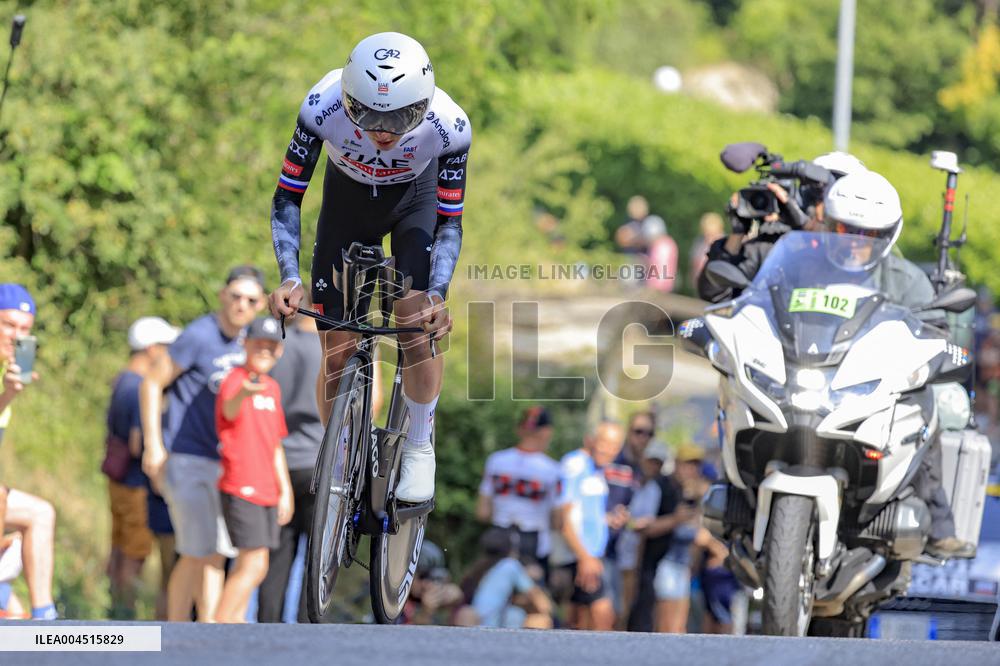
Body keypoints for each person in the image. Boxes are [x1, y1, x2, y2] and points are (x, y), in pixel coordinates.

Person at [268, 32, 472, 505]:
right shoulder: (320, 106)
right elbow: (287, 197)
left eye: (400, 117)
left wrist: (437, 294)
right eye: (366, 114)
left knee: (414, 323)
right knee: (336, 352)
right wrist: (289, 276)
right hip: (347, 205)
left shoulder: (450, 125)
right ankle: (338, 452)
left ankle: (420, 445)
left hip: (412, 206)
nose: (382, 130)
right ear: (346, 98)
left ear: (423, 105)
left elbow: (449, 223)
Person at [822, 172, 970, 557]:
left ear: (887, 236)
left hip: (875, 391)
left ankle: (938, 524)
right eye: (845, 229)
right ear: (828, 225)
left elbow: (936, 333)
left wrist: (932, 351)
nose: (855, 241)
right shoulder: (805, 269)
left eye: (868, 234)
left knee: (924, 411)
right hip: (815, 382)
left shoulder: (907, 279)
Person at [141, 265, 266, 622]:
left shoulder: (250, 343)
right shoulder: (199, 334)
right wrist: (154, 444)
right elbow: (151, 382)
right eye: (236, 296)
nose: (242, 305)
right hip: (187, 457)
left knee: (215, 553)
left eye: (251, 299)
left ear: (260, 305)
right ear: (222, 296)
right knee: (197, 551)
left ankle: (208, 631)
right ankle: (180, 631)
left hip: (225, 462)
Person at [697, 150, 867, 303]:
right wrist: (738, 232)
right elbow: (713, 292)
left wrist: (805, 226)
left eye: (831, 203)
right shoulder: (779, 247)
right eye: (816, 198)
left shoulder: (859, 254)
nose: (820, 210)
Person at [214, 317, 293, 623]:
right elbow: (228, 409)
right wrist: (245, 392)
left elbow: (275, 445)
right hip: (240, 485)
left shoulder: (272, 388)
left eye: (271, 347)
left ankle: (232, 625)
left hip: (267, 489)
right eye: (258, 344)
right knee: (252, 563)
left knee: (256, 566)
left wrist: (284, 490)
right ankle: (219, 627)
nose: (264, 351)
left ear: (279, 352)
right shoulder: (235, 379)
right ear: (245, 344)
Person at [104, 316, 180, 619]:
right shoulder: (139, 387)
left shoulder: (121, 379)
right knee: (135, 553)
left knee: (119, 546)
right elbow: (138, 444)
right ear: (150, 349)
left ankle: (116, 605)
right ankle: (126, 613)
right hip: (136, 483)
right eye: (165, 346)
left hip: (117, 480)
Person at [257, 298, 324, 624]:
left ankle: (267, 628)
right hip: (319, 464)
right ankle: (308, 632)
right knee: (316, 557)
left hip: (278, 462)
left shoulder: (278, 346)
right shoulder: (332, 352)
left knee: (276, 556)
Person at [0, 284, 57, 620]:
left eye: (25, 329)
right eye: (8, 325)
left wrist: (10, 392)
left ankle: (45, 620)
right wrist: (8, 394)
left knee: (41, 513)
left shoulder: (9, 368)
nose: (17, 336)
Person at [557, 420, 626, 631]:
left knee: (579, 622)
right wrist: (585, 557)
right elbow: (562, 517)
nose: (610, 450)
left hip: (592, 556)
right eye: (604, 442)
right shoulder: (575, 464)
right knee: (603, 615)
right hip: (578, 556)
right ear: (590, 440)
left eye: (615, 445)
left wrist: (608, 519)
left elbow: (585, 512)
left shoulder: (596, 469)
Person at [475, 406, 561, 571]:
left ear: (519, 429)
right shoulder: (552, 470)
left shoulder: (496, 460)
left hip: (498, 540)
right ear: (546, 432)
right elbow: (558, 521)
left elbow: (482, 513)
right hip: (534, 544)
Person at [603, 411, 654, 626]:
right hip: (602, 547)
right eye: (638, 431)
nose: (642, 438)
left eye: (648, 433)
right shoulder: (611, 460)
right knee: (601, 612)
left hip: (627, 552)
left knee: (620, 613)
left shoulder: (643, 470)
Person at [459, 527, 553, 629]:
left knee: (515, 613)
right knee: (543, 620)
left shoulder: (483, 569)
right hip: (491, 624)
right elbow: (539, 599)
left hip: (479, 621)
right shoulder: (510, 565)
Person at [400, 541, 465, 625]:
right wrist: (425, 612)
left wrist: (452, 598)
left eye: (431, 578)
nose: (427, 584)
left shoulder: (417, 599)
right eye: (422, 576)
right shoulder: (394, 600)